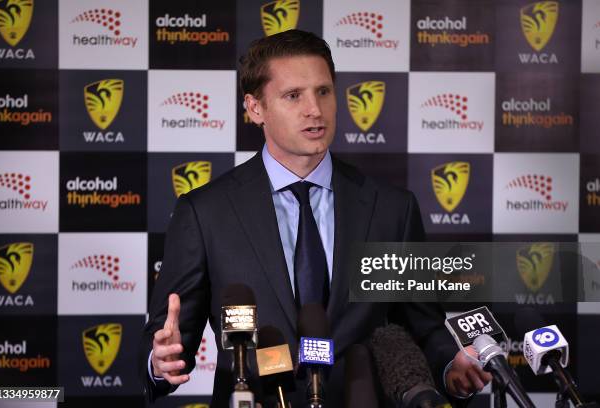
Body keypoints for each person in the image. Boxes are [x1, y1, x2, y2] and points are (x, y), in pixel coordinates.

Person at [140, 29, 491, 406]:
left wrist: (449, 369)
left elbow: (423, 330)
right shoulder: (204, 212)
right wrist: (158, 362)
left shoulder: (392, 209)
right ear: (255, 108)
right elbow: (169, 339)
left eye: (323, 91)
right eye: (294, 96)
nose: (315, 110)